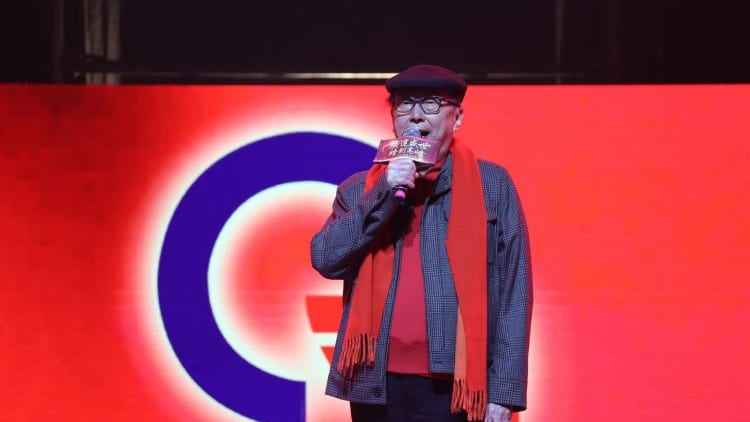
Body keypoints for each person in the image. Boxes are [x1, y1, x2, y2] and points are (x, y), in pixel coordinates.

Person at [310, 64, 532, 422]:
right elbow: (325, 259)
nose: (415, 115)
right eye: (404, 104)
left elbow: (514, 291)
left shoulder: (492, 185)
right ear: (393, 119)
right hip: (375, 382)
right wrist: (384, 193)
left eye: (431, 103)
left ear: (457, 118)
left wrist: (504, 391)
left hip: (457, 385)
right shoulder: (359, 189)